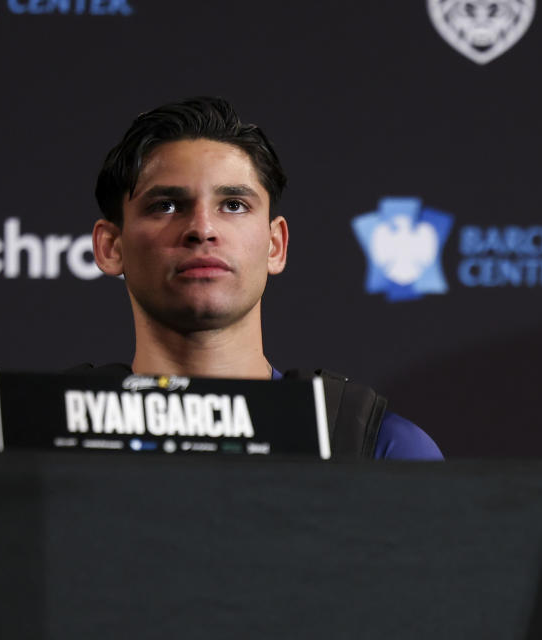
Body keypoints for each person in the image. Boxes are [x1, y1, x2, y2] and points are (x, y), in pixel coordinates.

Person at [85, 96, 442, 461]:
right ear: (111, 247)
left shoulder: (379, 450)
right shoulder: (43, 440)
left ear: (275, 245)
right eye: (166, 206)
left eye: (234, 205)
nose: (202, 229)